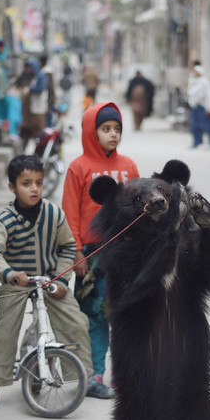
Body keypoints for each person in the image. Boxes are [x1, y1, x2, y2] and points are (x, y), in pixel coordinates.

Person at [0, 155, 97, 407]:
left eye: (39, 183)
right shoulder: (6, 219)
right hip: (18, 283)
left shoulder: (54, 214)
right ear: (12, 187)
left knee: (75, 321)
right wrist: (10, 273)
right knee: (4, 331)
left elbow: (67, 246)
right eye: (26, 183)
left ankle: (84, 378)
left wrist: (61, 278)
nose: (34, 189)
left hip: (49, 280)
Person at [62, 103, 140, 398]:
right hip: (92, 257)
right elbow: (69, 211)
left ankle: (125, 377)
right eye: (106, 129)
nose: (113, 134)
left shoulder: (129, 166)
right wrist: (77, 252)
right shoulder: (78, 168)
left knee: (124, 316)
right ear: (91, 132)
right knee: (94, 315)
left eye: (117, 129)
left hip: (125, 254)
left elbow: (142, 208)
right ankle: (94, 375)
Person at [18, 57, 52, 152]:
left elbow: (40, 89)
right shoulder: (31, 78)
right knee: (25, 137)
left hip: (38, 112)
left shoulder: (41, 77)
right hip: (29, 114)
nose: (28, 70)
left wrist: (30, 89)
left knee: (40, 139)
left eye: (30, 67)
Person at [186, 63, 210, 149]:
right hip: (195, 107)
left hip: (203, 107)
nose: (194, 74)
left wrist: (209, 108)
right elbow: (191, 94)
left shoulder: (204, 83)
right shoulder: (193, 82)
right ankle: (196, 142)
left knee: (207, 126)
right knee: (195, 126)